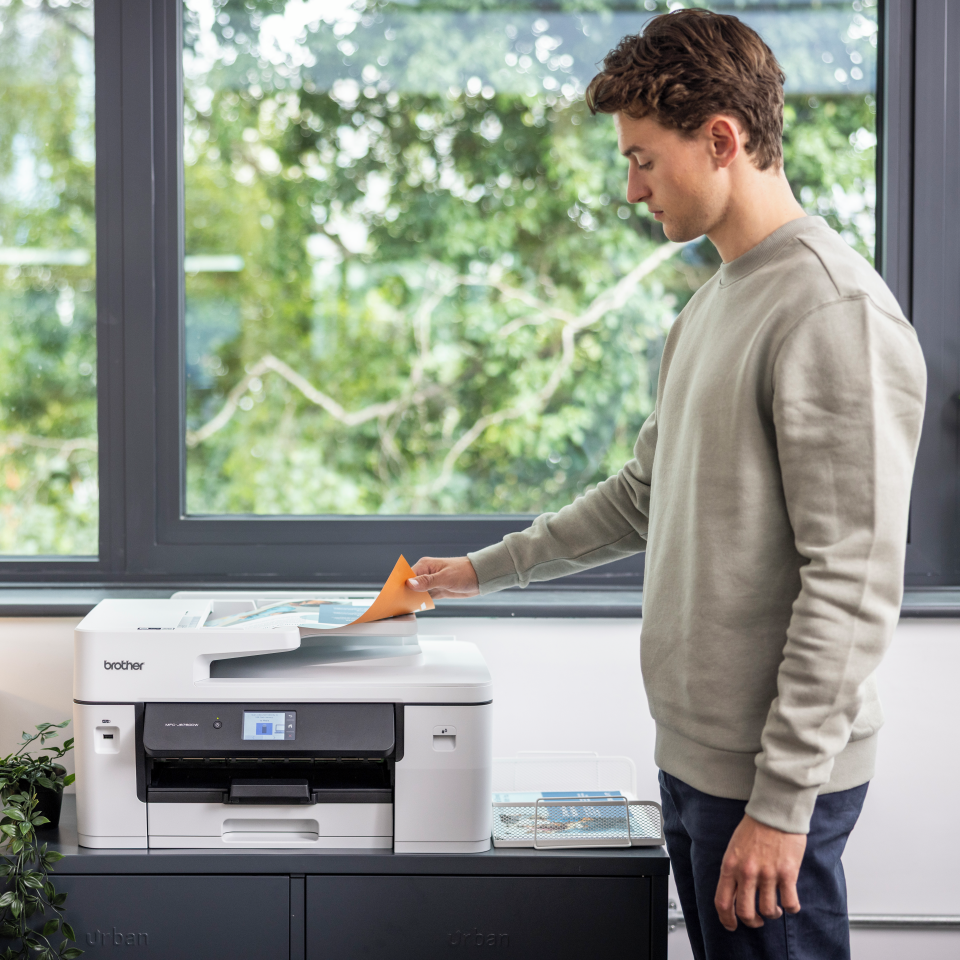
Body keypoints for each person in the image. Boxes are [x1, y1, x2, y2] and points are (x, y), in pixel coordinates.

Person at [406, 9, 926, 960]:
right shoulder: (712, 305)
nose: (632, 188)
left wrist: (781, 803)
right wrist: (482, 571)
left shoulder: (832, 310)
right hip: (695, 759)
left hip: (770, 779)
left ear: (721, 140)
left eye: (644, 159)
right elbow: (645, 495)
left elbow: (852, 583)